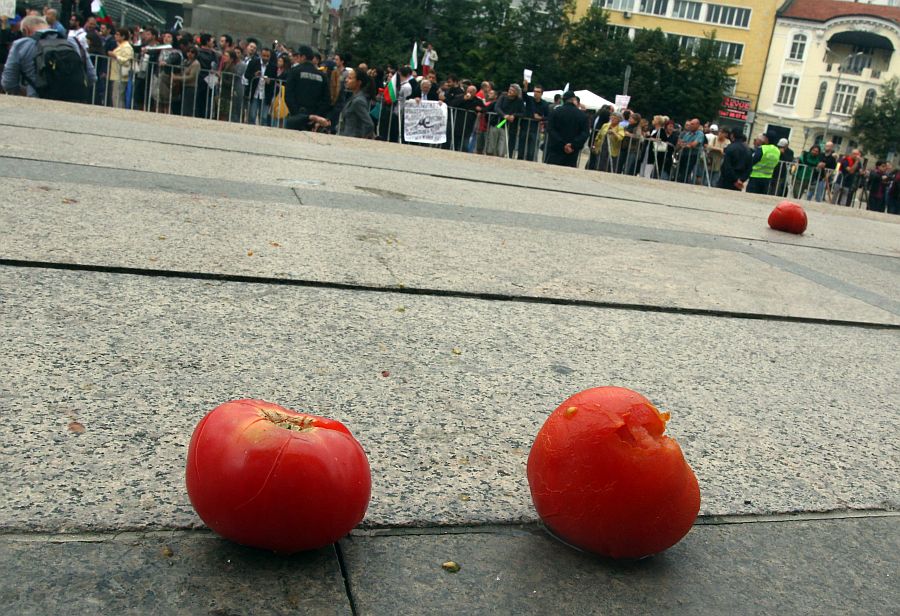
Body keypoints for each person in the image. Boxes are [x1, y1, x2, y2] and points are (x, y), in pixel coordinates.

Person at [2, 15, 96, 101]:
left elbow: (8, 83)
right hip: (73, 105)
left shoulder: (21, 44)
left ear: (26, 31)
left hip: (36, 103)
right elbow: (92, 76)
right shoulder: (72, 41)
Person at [284, 44, 332, 131]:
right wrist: (315, 117)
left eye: (298, 56)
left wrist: (298, 114)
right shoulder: (322, 76)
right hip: (313, 121)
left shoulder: (294, 71)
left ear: (303, 57)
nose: (297, 58)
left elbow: (288, 95)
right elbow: (326, 100)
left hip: (296, 117)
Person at [545, 90, 588, 167]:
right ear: (574, 100)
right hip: (572, 151)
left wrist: (562, 143)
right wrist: (573, 144)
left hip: (556, 149)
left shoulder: (555, 112)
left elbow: (550, 129)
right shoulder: (582, 115)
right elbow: (585, 133)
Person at [338, 66, 375, 138]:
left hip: (352, 140)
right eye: (347, 77)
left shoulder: (358, 101)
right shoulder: (353, 98)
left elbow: (369, 125)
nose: (346, 80)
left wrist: (361, 140)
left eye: (350, 78)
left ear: (359, 82)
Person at [107, 27, 133, 109]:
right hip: (116, 73)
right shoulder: (121, 46)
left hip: (121, 75)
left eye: (118, 35)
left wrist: (115, 56)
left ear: (123, 36)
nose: (115, 36)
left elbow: (127, 61)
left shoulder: (127, 47)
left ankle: (120, 112)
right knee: (115, 95)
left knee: (118, 96)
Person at [675, 118, 705, 183]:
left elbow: (694, 144)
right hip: (683, 154)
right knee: (679, 171)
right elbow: (680, 143)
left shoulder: (700, 134)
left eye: (692, 124)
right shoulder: (687, 133)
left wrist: (685, 144)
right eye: (690, 124)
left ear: (697, 125)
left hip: (692, 155)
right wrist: (684, 144)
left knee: (685, 172)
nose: (690, 125)